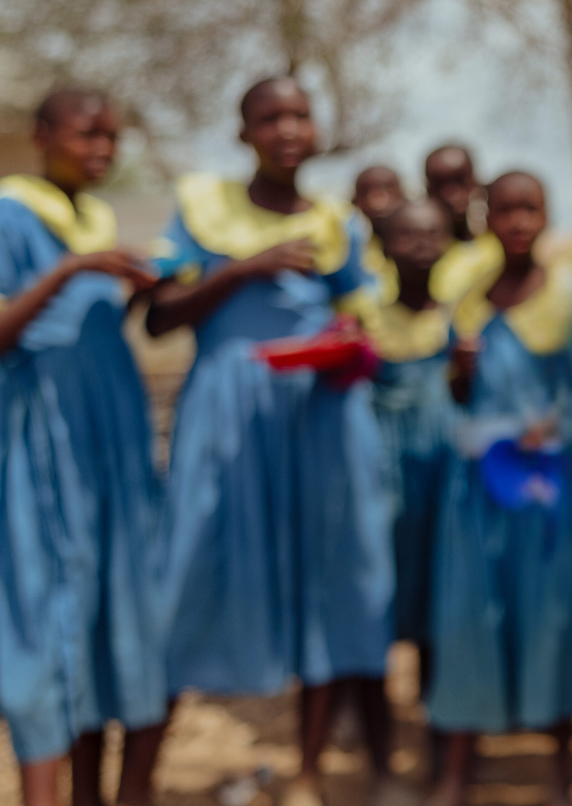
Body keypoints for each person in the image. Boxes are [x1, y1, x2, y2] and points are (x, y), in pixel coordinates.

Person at [148, 77, 398, 806]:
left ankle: (310, 774)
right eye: (270, 117)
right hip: (225, 413)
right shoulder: (203, 206)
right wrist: (246, 269)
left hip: (317, 417)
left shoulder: (338, 224)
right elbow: (161, 318)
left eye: (299, 115)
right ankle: (144, 774)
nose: (287, 129)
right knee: (190, 572)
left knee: (323, 579)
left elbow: (361, 324)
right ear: (244, 132)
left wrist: (348, 343)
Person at [427, 172, 572, 806]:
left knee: (552, 617)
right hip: (480, 491)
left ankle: (562, 772)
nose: (518, 221)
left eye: (530, 209)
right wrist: (460, 373)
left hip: (548, 490)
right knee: (471, 617)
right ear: (486, 217)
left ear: (546, 216)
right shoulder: (468, 298)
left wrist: (560, 428)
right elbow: (457, 397)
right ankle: (458, 773)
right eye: (506, 209)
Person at [0, 88, 167, 806]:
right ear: (41, 136)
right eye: (87, 134)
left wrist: (141, 288)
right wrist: (67, 270)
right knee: (43, 609)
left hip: (110, 445)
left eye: (112, 138)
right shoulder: (8, 212)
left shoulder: (95, 215)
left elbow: (87, 330)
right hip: (43, 443)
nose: (101, 149)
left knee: (108, 611)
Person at [366, 200, 457, 669]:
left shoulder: (458, 319)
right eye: (406, 235)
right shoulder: (368, 319)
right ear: (382, 246)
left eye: (432, 233)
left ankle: (436, 701)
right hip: (385, 474)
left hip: (442, 471)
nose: (421, 245)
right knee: (383, 575)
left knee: (440, 574)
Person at [426, 145, 500, 302]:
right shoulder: (419, 256)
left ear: (477, 182)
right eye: (439, 184)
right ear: (427, 189)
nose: (451, 195)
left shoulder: (503, 245)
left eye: (461, 181)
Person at [353, 164, 409, 287]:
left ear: (403, 194)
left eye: (387, 189)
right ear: (354, 201)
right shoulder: (352, 256)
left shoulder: (427, 250)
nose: (376, 202)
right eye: (365, 192)